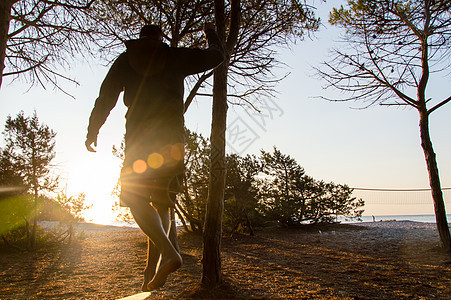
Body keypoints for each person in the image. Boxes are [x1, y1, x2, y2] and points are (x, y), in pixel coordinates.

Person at [85, 23, 224, 291]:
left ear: (139, 39)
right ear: (160, 39)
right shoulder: (174, 56)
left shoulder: (126, 60)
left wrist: (93, 129)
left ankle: (166, 257)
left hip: (140, 140)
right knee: (162, 203)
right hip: (171, 141)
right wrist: (212, 37)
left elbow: (106, 97)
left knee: (136, 198)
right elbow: (215, 57)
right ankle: (153, 267)